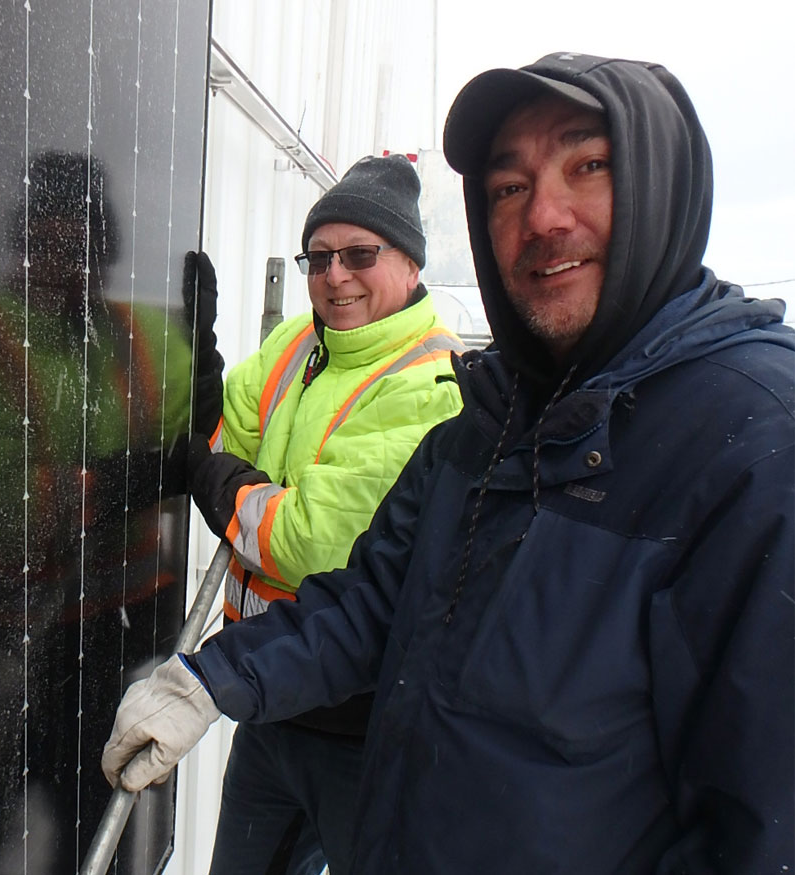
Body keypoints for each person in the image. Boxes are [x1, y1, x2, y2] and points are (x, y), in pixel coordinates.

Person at [103, 52, 795, 874]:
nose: (543, 217)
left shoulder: (756, 442)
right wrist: (210, 680)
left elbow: (762, 827)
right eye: (508, 187)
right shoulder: (492, 416)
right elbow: (372, 601)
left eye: (590, 166)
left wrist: (221, 483)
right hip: (319, 739)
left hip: (348, 738)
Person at [179, 153, 465, 874]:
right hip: (271, 700)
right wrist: (199, 370)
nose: (335, 275)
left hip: (359, 724)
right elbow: (225, 444)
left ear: (409, 264)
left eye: (360, 254)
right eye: (320, 257)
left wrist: (217, 484)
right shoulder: (300, 343)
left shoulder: (431, 383)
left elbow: (310, 541)